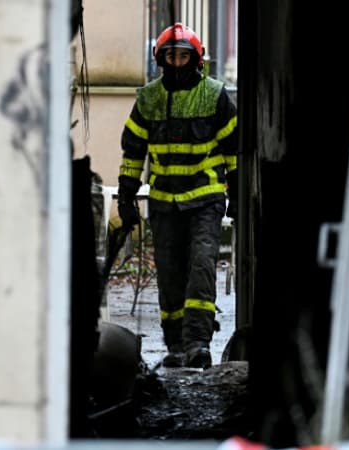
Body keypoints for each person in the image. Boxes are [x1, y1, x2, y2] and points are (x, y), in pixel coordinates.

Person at [117, 23, 238, 369]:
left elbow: (233, 148)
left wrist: (236, 189)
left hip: (206, 199)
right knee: (170, 273)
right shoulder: (149, 99)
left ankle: (198, 343)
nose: (177, 61)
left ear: (196, 60)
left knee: (201, 266)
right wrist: (126, 196)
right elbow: (133, 152)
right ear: (161, 59)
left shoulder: (214, 95)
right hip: (164, 202)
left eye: (184, 55)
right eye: (171, 55)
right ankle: (174, 345)